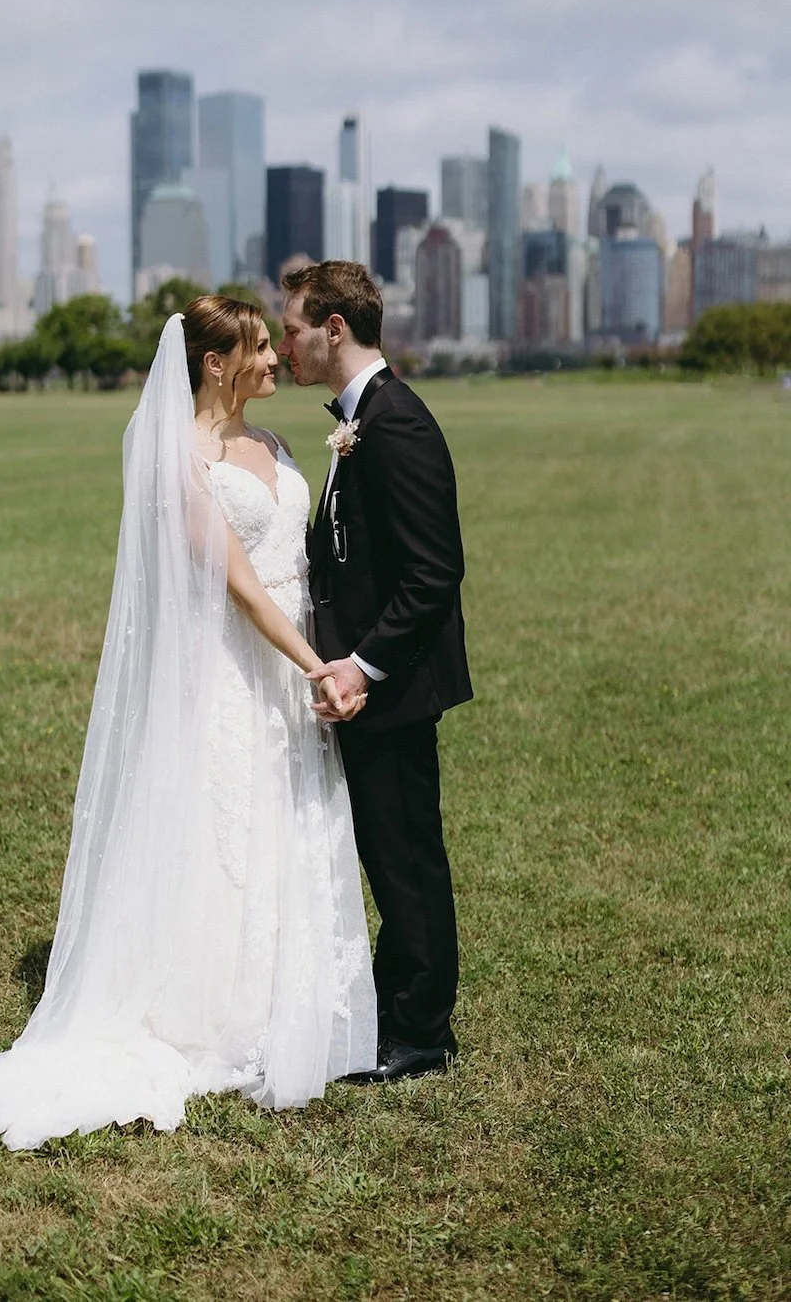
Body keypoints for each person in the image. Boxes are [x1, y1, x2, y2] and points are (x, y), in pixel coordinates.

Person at [0, 297, 376, 1302]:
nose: (274, 360)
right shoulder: (174, 458)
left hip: (297, 665)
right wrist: (311, 666)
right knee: (222, 831)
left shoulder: (284, 440)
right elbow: (240, 583)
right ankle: (210, 1009)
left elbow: (303, 556)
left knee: (285, 825)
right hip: (241, 670)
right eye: (257, 349)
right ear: (214, 364)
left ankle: (281, 995)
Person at [279, 261, 473, 1083]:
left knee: (406, 856)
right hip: (363, 685)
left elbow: (435, 572)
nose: (284, 344)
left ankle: (421, 1035)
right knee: (385, 852)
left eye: (290, 329)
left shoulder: (395, 422)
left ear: (332, 328)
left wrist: (360, 666)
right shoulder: (361, 420)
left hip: (393, 685)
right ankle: (398, 1008)